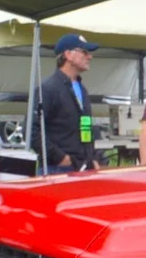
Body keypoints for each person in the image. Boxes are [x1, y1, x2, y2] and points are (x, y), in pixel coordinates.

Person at [30, 33, 101, 173]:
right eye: (84, 52)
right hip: (56, 169)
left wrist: (92, 158)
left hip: (81, 167)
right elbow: (33, 131)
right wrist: (60, 158)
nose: (89, 57)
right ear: (68, 55)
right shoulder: (48, 88)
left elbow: (85, 126)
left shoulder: (82, 89)